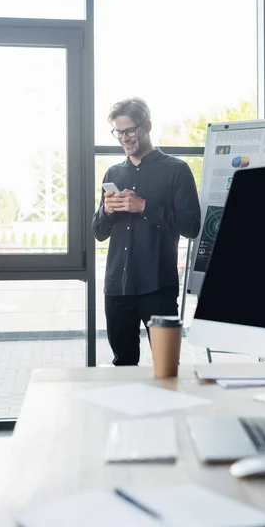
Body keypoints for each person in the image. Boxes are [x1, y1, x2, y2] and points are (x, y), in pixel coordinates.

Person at [92, 97, 201, 365]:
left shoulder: (177, 170)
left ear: (147, 126)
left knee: (167, 366)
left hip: (158, 288)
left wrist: (145, 207)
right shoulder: (113, 173)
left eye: (130, 130)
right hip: (118, 288)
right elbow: (99, 232)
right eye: (119, 132)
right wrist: (105, 211)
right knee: (123, 365)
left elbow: (191, 226)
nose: (125, 138)